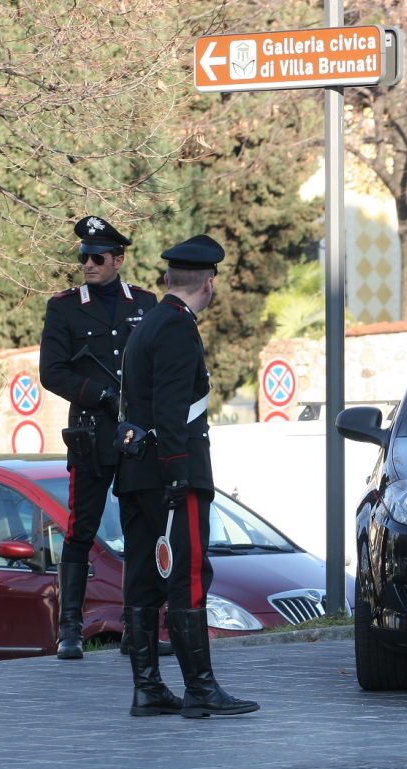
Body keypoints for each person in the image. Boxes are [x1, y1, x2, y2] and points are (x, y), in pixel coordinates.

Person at [115, 234, 257, 718]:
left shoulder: (149, 323)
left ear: (168, 278)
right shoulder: (177, 326)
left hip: (137, 472)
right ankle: (200, 688)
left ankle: (149, 688)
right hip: (171, 472)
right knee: (188, 577)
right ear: (209, 283)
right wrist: (178, 473)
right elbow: (172, 407)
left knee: (142, 579)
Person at [40, 216, 158, 660]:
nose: (88, 264)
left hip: (134, 435)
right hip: (91, 433)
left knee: (139, 529)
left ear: (118, 260)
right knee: (81, 530)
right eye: (83, 257)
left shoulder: (144, 303)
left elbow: (156, 363)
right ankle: (70, 630)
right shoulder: (65, 307)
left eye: (97, 257)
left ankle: (136, 628)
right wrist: (100, 394)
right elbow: (52, 372)